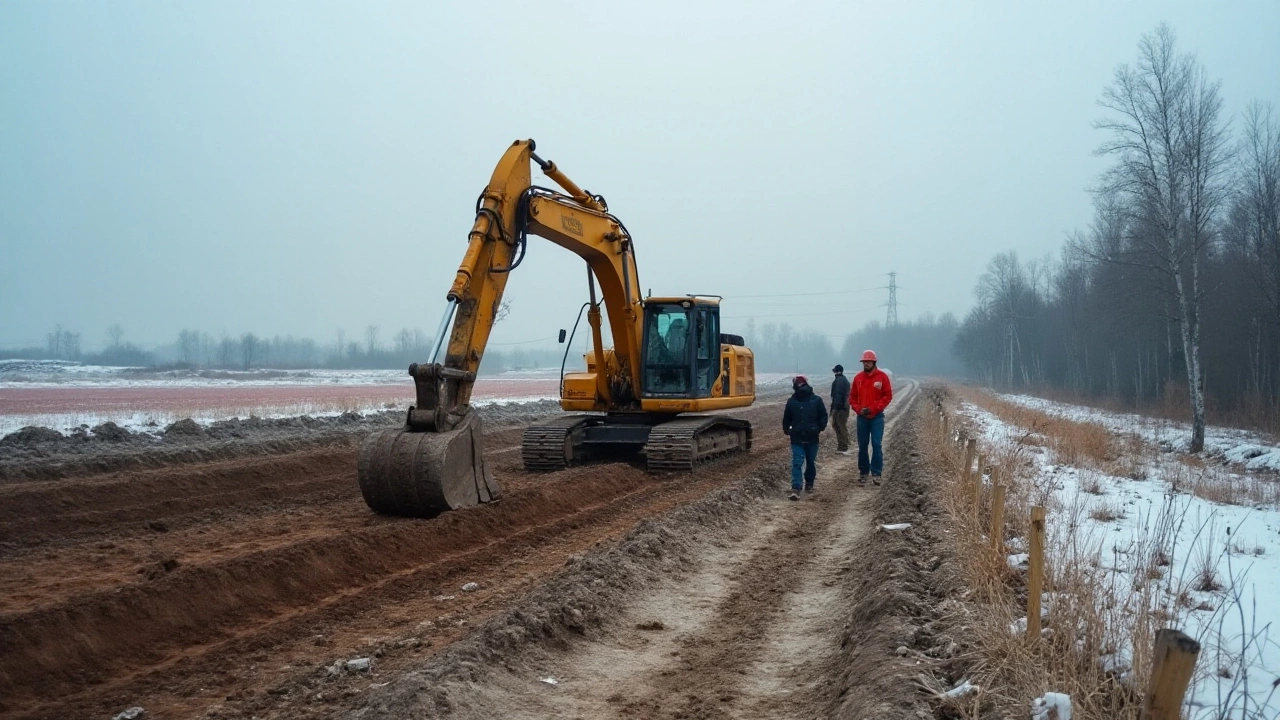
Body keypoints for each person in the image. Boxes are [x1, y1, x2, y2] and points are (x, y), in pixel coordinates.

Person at [849, 350, 893, 485]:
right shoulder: (858, 378)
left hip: (877, 417)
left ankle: (876, 473)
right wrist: (858, 409)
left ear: (874, 362)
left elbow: (887, 396)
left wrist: (873, 408)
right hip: (862, 418)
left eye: (868, 362)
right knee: (862, 446)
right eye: (864, 362)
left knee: (876, 444)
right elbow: (852, 397)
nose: (866, 364)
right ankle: (863, 472)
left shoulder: (882, 377)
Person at [782, 374, 828, 500]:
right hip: (798, 437)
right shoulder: (792, 402)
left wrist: (819, 427)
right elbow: (787, 417)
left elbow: (823, 416)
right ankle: (796, 486)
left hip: (811, 437)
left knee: (809, 462)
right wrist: (786, 428)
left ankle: (808, 483)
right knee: (798, 461)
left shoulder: (816, 400)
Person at [829, 364, 851, 454]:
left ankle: (844, 446)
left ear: (837, 371)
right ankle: (842, 445)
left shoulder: (839, 381)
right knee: (837, 425)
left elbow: (837, 395)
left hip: (841, 408)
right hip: (842, 407)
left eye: (834, 370)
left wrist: (835, 408)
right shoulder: (842, 380)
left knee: (840, 426)